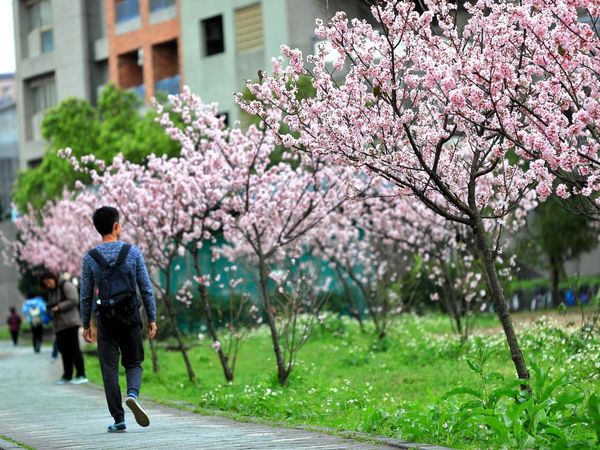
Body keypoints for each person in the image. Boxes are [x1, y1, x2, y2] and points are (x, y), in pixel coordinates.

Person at [80, 206, 157, 433]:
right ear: (116, 226)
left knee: (109, 370)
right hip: (130, 316)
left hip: (105, 320)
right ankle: (132, 394)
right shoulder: (132, 253)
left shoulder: (90, 258)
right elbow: (145, 288)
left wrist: (86, 324)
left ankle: (118, 419)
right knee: (133, 362)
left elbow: (85, 294)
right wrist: (151, 317)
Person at [41, 272, 88, 385]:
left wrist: (58, 307)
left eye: (49, 282)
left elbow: (74, 299)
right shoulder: (52, 291)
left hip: (70, 323)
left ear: (52, 278)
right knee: (64, 350)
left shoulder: (65, 285)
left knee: (74, 349)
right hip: (59, 326)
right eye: (46, 284)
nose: (48, 285)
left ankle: (81, 374)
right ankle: (67, 375)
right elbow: (51, 303)